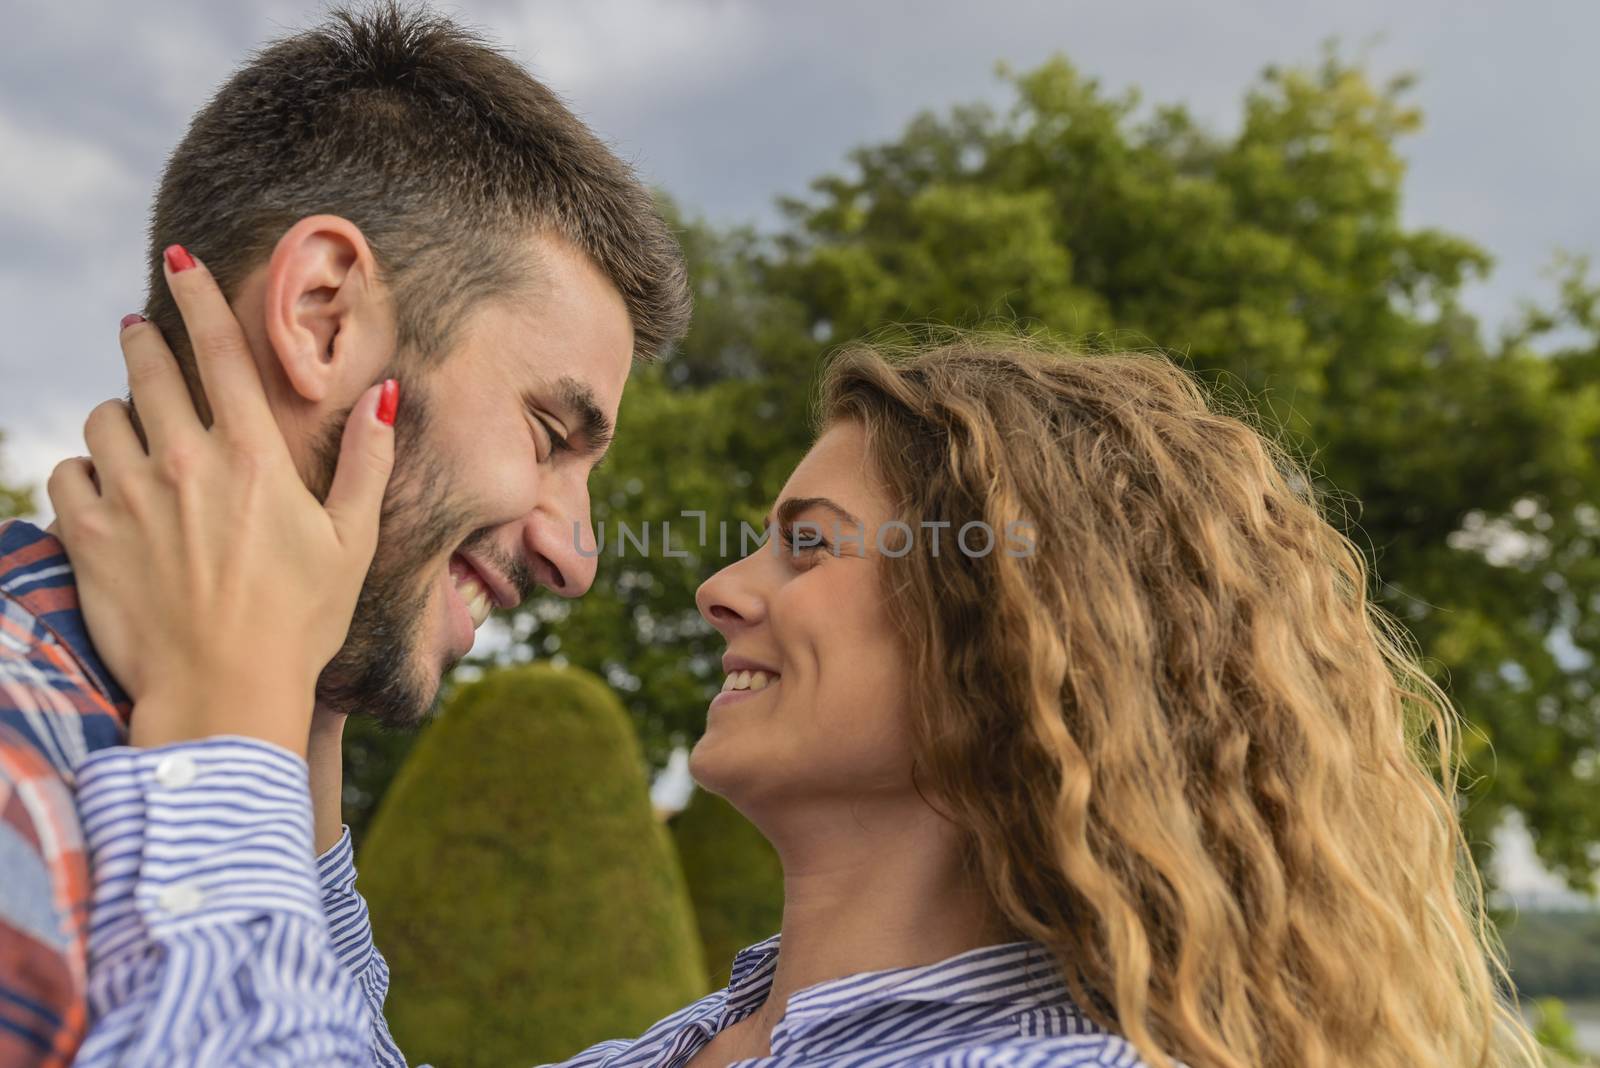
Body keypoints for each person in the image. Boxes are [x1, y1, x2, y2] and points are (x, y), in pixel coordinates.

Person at [54, 284, 1545, 1064]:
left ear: (1010, 640)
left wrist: (218, 736)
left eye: (807, 545)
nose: (718, 588)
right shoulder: (696, 1044)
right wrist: (308, 684)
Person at [0, 3, 689, 1064]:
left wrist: (302, 705)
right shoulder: (22, 798)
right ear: (322, 315)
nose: (575, 556)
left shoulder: (255, 759)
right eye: (550, 433)